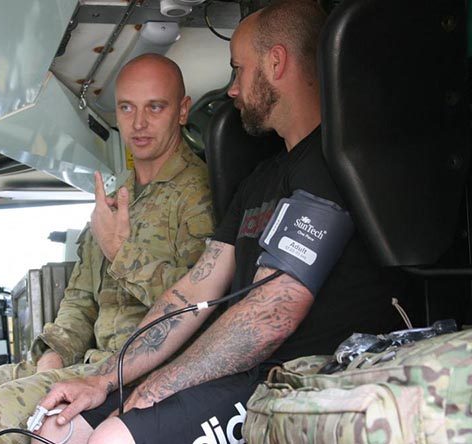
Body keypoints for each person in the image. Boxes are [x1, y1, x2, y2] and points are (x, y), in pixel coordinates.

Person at [35, 1, 405, 443]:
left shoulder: (331, 163)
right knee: (60, 429)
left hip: (297, 370)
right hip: (247, 370)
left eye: (238, 69)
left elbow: (272, 312)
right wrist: (104, 380)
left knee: (113, 439)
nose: (231, 89)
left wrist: (168, 381)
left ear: (276, 62)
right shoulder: (258, 181)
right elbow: (195, 290)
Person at [0, 54, 215, 444]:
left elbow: (200, 303)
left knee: (2, 414)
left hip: (143, 369)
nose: (139, 123)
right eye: (127, 108)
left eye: (156, 107)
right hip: (87, 363)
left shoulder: (199, 195)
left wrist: (121, 251)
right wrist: (55, 354)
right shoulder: (114, 201)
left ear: (182, 111)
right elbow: (81, 299)